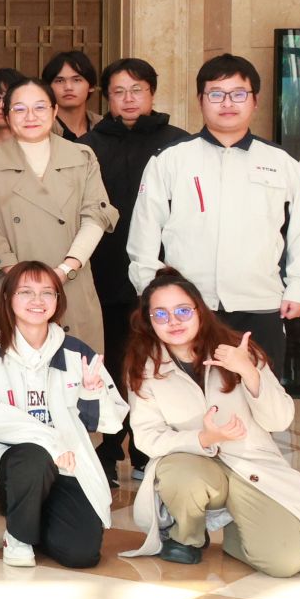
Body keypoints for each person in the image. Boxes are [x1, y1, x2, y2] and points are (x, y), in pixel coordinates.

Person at [126, 54, 300, 374]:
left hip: (260, 303)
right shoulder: (171, 159)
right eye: (216, 93)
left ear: (255, 100)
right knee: (189, 394)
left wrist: (299, 287)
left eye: (238, 93)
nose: (227, 103)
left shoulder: (282, 162)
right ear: (200, 100)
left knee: (260, 392)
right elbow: (144, 230)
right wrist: (151, 292)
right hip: (187, 307)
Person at [121, 269, 300, 575]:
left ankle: (239, 529)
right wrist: (203, 439)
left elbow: (280, 420)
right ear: (149, 321)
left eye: (183, 311)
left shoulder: (238, 351)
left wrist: (249, 372)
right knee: (181, 475)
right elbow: (147, 437)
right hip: (192, 463)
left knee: (286, 563)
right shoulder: (144, 367)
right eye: (160, 314)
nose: (173, 321)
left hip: (250, 466)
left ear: (200, 311)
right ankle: (186, 535)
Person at [0, 261, 127, 568]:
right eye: (26, 292)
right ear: (8, 298)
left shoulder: (77, 353)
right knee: (34, 456)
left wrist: (91, 392)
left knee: (81, 554)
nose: (37, 301)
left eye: (46, 293)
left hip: (69, 463)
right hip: (14, 465)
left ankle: (35, 521)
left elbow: (109, 421)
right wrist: (51, 442)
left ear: (58, 299)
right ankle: (18, 537)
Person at [84, 57, 189, 482]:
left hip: (163, 276)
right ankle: (109, 450)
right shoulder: (88, 147)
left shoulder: (179, 145)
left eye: (137, 90)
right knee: (109, 364)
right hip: (105, 272)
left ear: (152, 93)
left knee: (158, 363)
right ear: (106, 97)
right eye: (119, 92)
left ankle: (149, 451)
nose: (128, 99)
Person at [0, 76, 119, 352]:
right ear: (6, 115)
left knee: (75, 368)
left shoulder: (82, 157)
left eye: (40, 107)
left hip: (70, 281)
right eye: (20, 109)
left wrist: (65, 269)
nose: (30, 116)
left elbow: (96, 216)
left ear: (54, 111)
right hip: (11, 284)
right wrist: (22, 279)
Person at [42, 50, 99, 143]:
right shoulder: (39, 128)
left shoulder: (103, 126)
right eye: (59, 81)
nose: (68, 87)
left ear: (91, 86)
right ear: (48, 88)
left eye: (76, 80)